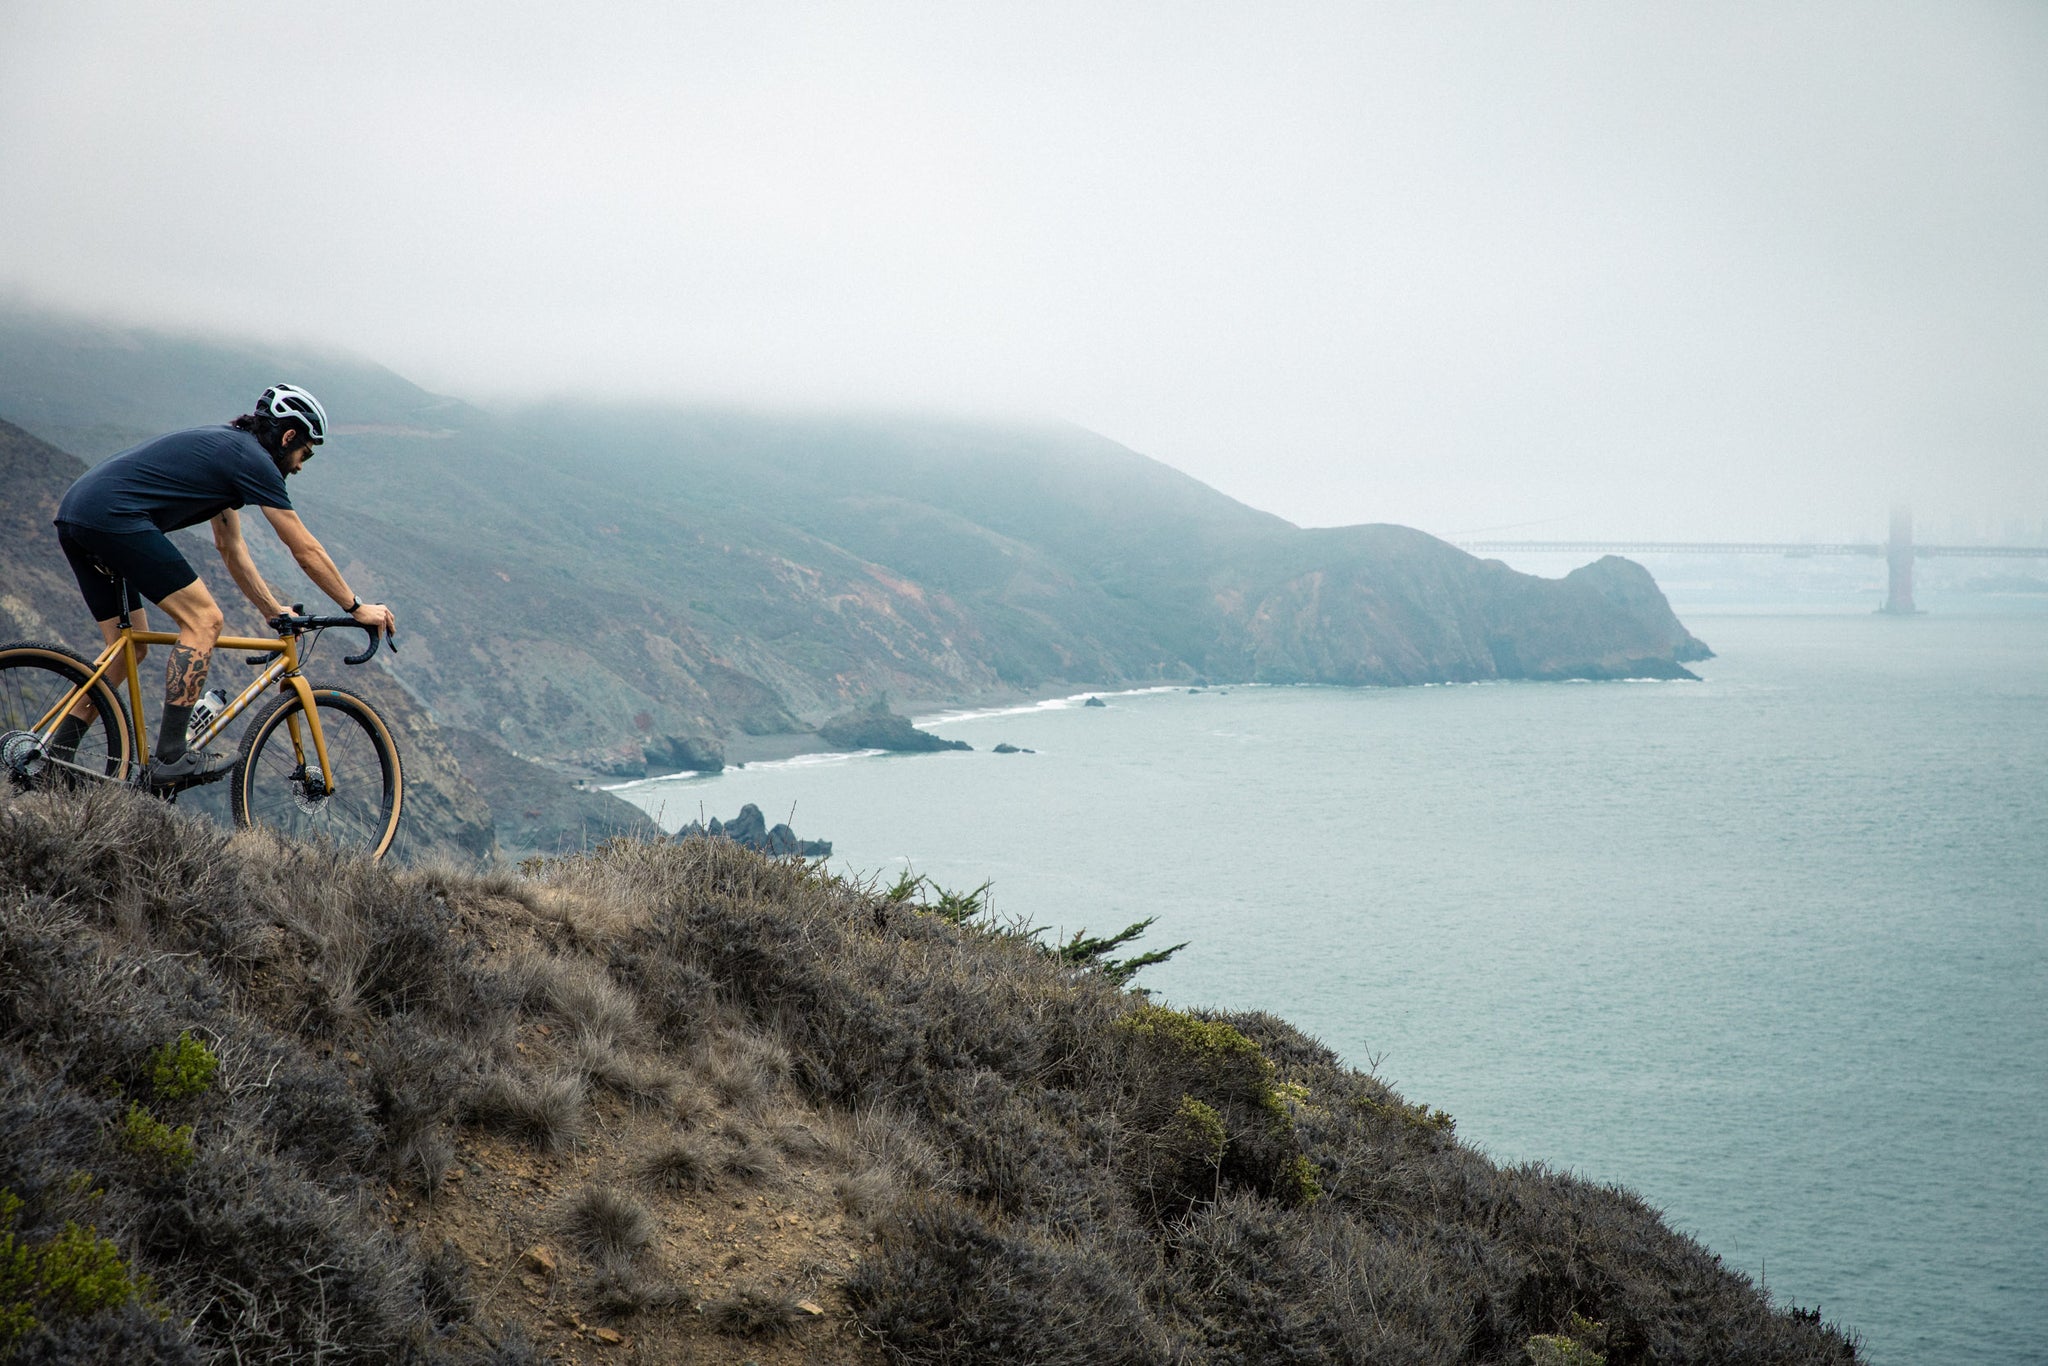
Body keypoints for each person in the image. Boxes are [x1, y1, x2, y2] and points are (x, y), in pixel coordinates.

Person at [50, 384, 397, 784]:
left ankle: (51, 758)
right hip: (115, 518)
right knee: (204, 621)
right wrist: (355, 607)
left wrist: (272, 610)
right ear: (288, 437)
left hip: (79, 515)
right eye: (306, 452)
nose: (301, 465)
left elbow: (230, 547)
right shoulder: (254, 461)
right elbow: (304, 547)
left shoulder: (229, 455)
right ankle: (170, 758)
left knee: (132, 648)